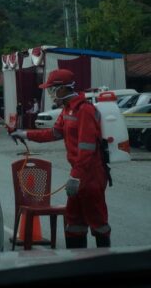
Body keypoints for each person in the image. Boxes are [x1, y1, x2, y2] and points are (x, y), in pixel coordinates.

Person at [10, 69, 111, 249]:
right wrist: (24, 134)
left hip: (91, 175)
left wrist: (76, 177)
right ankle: (76, 260)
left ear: (63, 88)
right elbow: (54, 133)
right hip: (79, 173)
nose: (50, 94)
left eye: (52, 89)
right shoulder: (67, 110)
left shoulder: (84, 110)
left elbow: (86, 149)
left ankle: (105, 260)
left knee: (97, 220)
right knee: (74, 220)